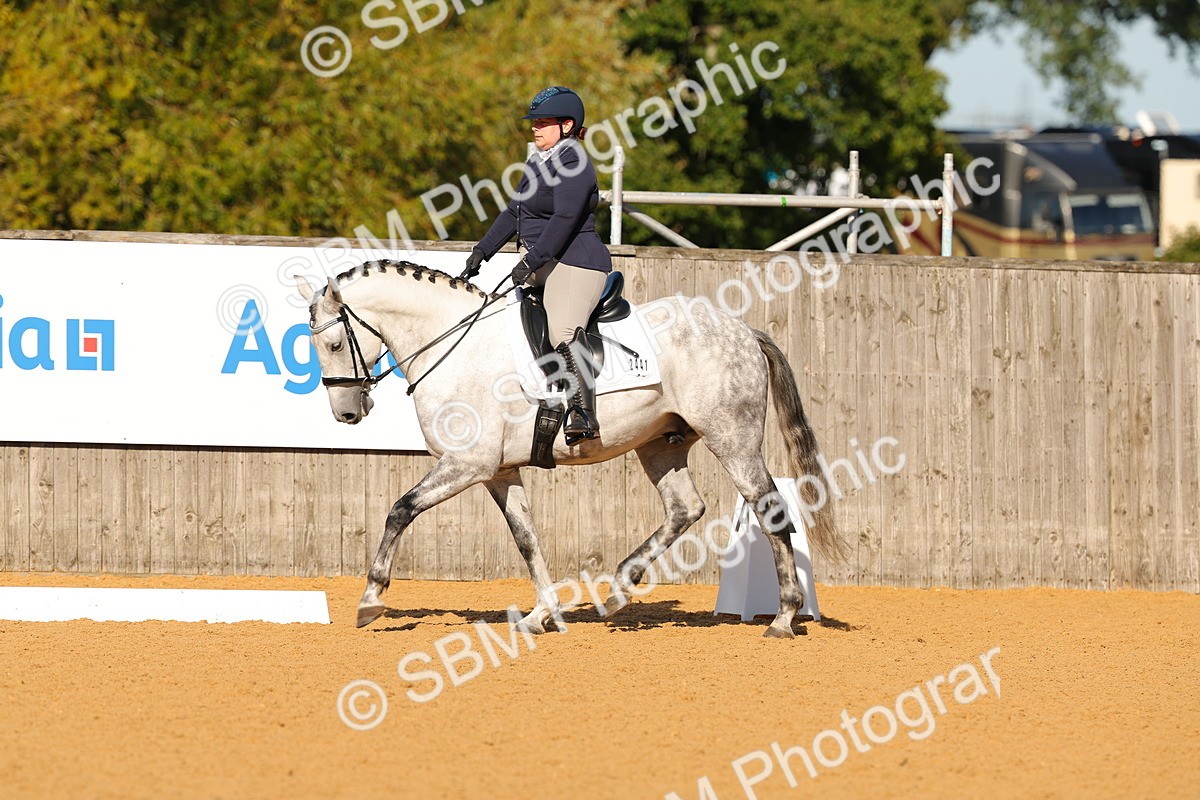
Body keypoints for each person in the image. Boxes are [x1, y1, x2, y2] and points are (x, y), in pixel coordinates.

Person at [459, 86, 612, 442]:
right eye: (534, 122)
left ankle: (583, 413)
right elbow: (515, 211)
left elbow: (563, 219)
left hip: (576, 263)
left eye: (543, 122)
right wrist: (481, 252)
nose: (535, 128)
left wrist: (532, 260)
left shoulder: (575, 164)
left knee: (561, 330)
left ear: (567, 125)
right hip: (546, 261)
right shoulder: (537, 162)